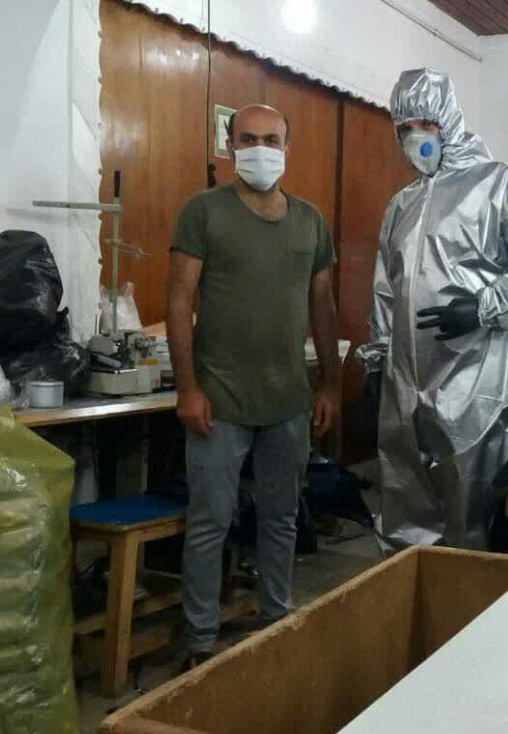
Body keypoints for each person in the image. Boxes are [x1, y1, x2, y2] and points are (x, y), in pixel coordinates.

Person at [358, 68, 508, 550]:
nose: (415, 137)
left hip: (480, 381)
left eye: (425, 124)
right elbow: (386, 291)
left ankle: (474, 592)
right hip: (407, 384)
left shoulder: (502, 184)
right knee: (406, 503)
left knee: (473, 509)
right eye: (405, 128)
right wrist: (377, 362)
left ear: (448, 121)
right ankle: (412, 590)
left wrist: (484, 308)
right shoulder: (401, 205)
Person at [167, 104, 340, 668]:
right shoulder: (203, 212)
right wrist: (188, 389)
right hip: (219, 400)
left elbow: (323, 305)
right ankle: (200, 639)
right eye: (247, 139)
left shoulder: (310, 221)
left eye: (270, 139)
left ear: (287, 148)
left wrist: (330, 384)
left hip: (288, 400)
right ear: (229, 146)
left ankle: (275, 619)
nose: (259, 149)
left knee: (281, 517)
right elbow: (178, 303)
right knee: (210, 522)